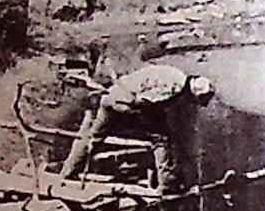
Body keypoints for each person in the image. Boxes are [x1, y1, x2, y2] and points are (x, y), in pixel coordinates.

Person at [59, 64, 214, 193]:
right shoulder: (174, 89)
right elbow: (142, 101)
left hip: (112, 95)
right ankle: (166, 185)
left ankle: (68, 173)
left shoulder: (175, 73)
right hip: (124, 103)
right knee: (161, 139)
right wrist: (153, 122)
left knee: (93, 137)